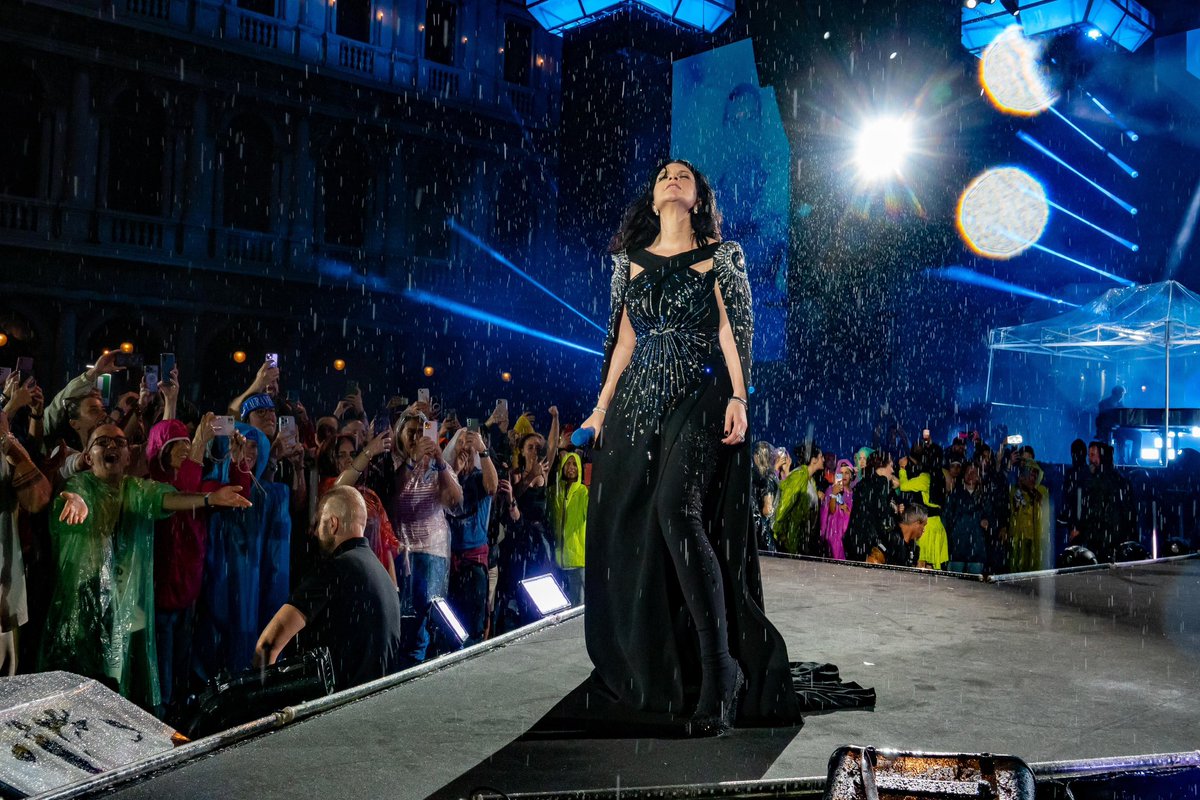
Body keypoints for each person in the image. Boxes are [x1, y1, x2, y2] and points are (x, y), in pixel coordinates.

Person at [577, 159, 871, 737]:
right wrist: (601, 407)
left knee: (675, 511)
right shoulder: (627, 266)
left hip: (702, 391)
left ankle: (721, 674)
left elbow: (731, 332)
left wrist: (739, 395)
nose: (672, 177)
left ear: (698, 196)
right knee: (633, 523)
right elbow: (623, 341)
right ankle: (660, 659)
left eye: (684, 174)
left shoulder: (722, 256)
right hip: (638, 400)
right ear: (654, 195)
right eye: (664, 173)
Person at [40, 424, 250, 711]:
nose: (112, 446)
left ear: (129, 456)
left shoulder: (134, 488)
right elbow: (74, 495)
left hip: (126, 607)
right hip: (86, 607)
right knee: (82, 691)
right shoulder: (79, 487)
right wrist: (76, 501)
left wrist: (209, 498)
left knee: (117, 686)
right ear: (88, 457)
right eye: (102, 442)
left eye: (120, 442)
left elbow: (162, 497)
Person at [253, 486, 403, 692]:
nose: (315, 532)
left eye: (319, 524)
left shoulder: (336, 569)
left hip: (337, 713)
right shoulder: (383, 576)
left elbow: (268, 644)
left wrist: (261, 704)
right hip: (373, 707)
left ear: (333, 524)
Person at [442, 427, 497, 645]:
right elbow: (445, 502)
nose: (465, 447)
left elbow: (492, 488)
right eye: (461, 442)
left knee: (475, 625)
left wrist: (483, 451)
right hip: (451, 560)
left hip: (473, 562)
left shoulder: (479, 476)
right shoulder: (446, 475)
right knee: (452, 624)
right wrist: (452, 472)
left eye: (469, 442)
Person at [548, 449, 588, 605]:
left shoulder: (584, 493)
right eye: (568, 464)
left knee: (577, 606)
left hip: (577, 560)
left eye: (574, 464)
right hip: (557, 561)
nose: (571, 467)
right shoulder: (553, 492)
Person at [844, 450, 898, 562]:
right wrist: (893, 511)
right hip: (868, 541)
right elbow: (881, 511)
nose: (892, 470)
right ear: (882, 466)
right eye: (891, 466)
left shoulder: (863, 482)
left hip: (853, 538)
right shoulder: (882, 481)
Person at [943, 464, 989, 574]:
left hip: (977, 550)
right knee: (953, 586)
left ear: (979, 476)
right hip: (957, 549)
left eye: (974, 472)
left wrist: (987, 522)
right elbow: (946, 517)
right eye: (968, 472)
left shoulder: (984, 496)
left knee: (974, 587)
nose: (970, 475)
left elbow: (991, 516)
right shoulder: (954, 494)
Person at [819, 460, 854, 560]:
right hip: (833, 537)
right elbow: (831, 511)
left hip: (848, 536)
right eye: (841, 473)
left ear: (851, 475)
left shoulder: (854, 494)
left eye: (847, 473)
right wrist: (834, 494)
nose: (844, 476)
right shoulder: (831, 489)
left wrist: (847, 511)